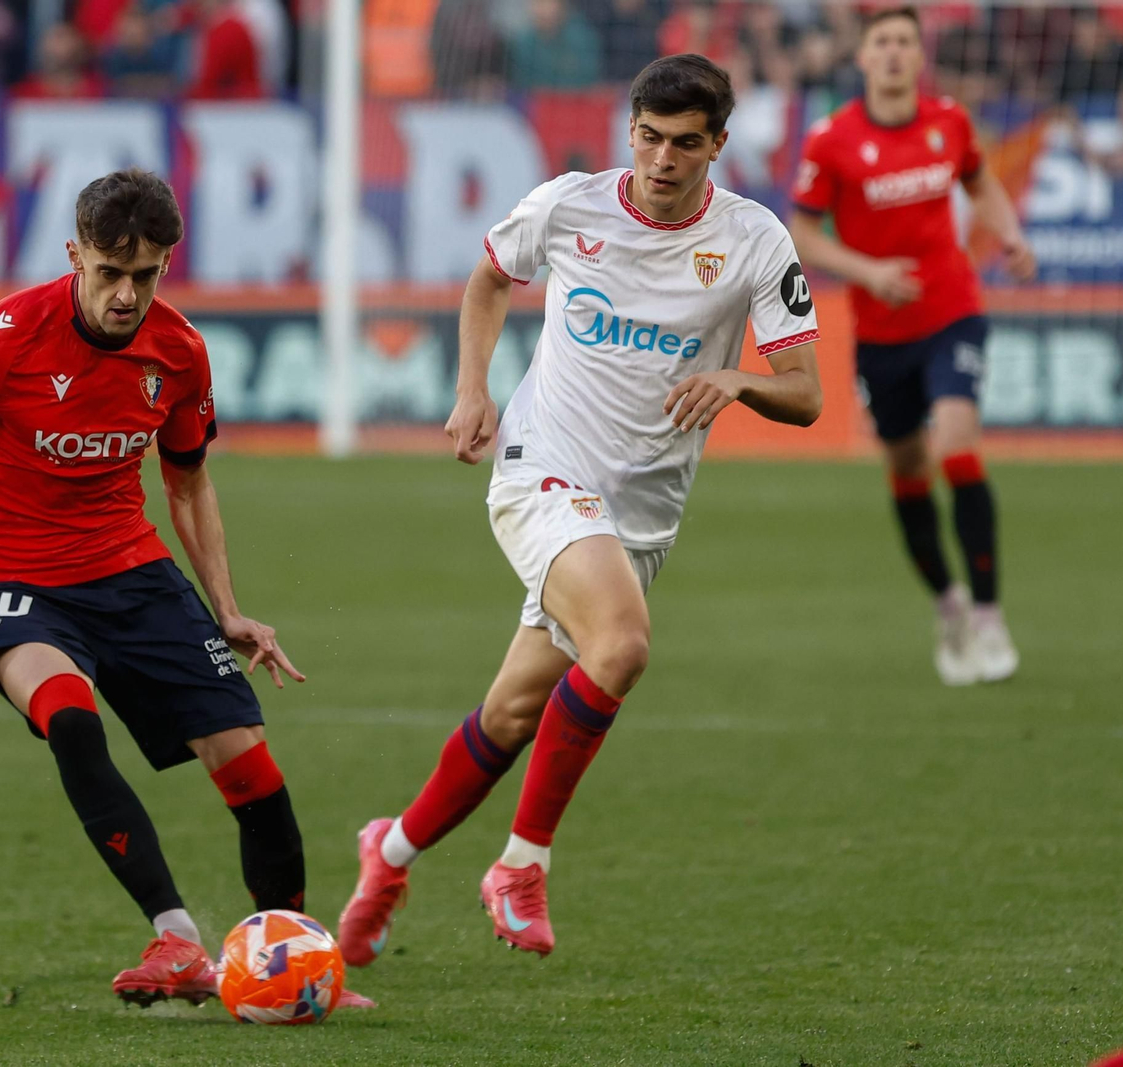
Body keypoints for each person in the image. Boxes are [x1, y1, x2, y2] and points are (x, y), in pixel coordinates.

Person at [0, 168, 370, 1011]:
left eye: (145, 275)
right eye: (110, 272)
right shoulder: (0, 339)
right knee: (70, 719)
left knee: (252, 769)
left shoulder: (179, 351)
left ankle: (299, 965)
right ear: (74, 254)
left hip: (131, 569)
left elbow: (187, 481)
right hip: (12, 576)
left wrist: (226, 607)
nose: (126, 295)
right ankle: (178, 936)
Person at [339, 53, 823, 963]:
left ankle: (389, 850)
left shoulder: (756, 241)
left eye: (686, 143)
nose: (663, 159)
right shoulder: (570, 205)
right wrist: (472, 388)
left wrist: (739, 379)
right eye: (648, 137)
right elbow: (489, 277)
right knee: (625, 645)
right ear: (627, 130)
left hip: (639, 511)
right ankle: (521, 864)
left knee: (515, 713)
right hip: (542, 466)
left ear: (719, 144)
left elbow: (807, 395)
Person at [788, 5, 1036, 686]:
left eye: (905, 41)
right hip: (880, 332)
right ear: (862, 58)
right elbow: (802, 231)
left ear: (918, 55)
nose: (894, 52)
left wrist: (1008, 233)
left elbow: (981, 183)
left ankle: (988, 614)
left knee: (957, 443)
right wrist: (869, 273)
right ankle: (948, 605)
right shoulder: (831, 140)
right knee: (906, 468)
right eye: (882, 43)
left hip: (952, 310)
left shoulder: (948, 122)